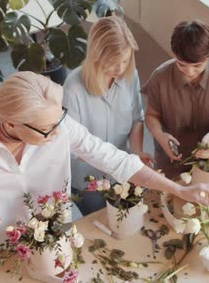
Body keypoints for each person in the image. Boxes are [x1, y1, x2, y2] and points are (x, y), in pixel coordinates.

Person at [0, 72, 209, 258]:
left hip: (57, 229)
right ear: (10, 123)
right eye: (46, 129)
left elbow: (117, 161)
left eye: (59, 118)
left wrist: (179, 190)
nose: (58, 132)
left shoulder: (57, 126)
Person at [63, 16, 154, 215]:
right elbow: (72, 146)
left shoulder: (130, 75)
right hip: (88, 179)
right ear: (96, 55)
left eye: (125, 59)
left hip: (122, 171)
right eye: (113, 62)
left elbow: (137, 119)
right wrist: (116, 162)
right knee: (100, 221)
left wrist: (137, 151)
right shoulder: (73, 88)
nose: (120, 68)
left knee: (127, 219)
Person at [141, 20, 209, 178]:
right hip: (171, 155)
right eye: (181, 64)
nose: (189, 72)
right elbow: (151, 115)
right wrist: (160, 135)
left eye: (197, 65)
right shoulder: (160, 77)